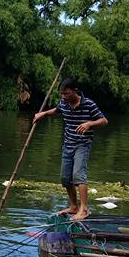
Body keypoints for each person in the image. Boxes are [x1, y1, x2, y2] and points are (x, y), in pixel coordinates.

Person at [34, 78, 108, 221]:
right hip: (68, 144)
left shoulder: (89, 104)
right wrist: (42, 114)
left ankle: (84, 209)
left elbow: (104, 121)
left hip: (82, 144)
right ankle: (74, 206)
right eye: (62, 94)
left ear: (75, 91)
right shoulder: (64, 103)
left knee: (78, 175)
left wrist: (89, 124)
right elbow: (56, 110)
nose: (63, 97)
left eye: (66, 93)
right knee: (65, 178)